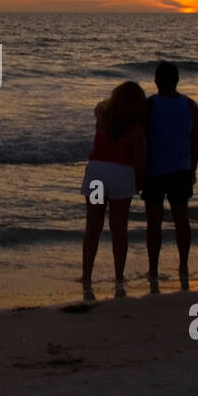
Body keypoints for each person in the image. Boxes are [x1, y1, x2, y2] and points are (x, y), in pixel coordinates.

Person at [79, 81, 147, 287]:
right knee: (119, 228)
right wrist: (139, 183)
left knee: (93, 227)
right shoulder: (137, 128)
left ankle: (87, 275)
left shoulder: (103, 116)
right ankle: (118, 275)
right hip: (121, 173)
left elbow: (99, 105)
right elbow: (139, 160)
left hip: (98, 172)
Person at [141, 61, 198, 289]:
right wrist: (193, 169)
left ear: (156, 81)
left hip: (155, 170)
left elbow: (142, 139)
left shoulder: (150, 105)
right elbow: (195, 142)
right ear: (177, 80)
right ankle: (183, 264)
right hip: (181, 169)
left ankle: (154, 268)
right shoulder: (190, 105)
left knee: (154, 222)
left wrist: (139, 168)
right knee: (181, 220)